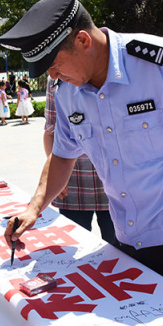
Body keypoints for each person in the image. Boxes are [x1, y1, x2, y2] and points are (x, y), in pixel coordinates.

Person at [0, 0, 163, 324]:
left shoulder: (160, 62)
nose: (53, 77)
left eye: (55, 66)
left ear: (82, 40)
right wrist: (34, 208)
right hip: (129, 246)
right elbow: (63, 155)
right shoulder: (69, 91)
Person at [44, 77, 116, 244]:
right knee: (75, 249)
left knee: (120, 253)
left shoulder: (113, 74)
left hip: (116, 186)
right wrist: (57, 176)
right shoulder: (57, 80)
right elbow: (50, 132)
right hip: (73, 184)